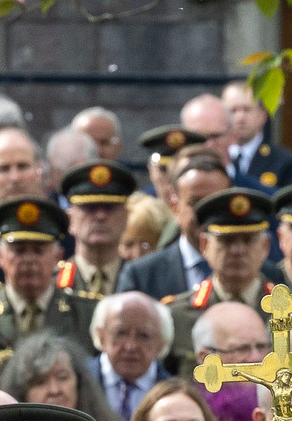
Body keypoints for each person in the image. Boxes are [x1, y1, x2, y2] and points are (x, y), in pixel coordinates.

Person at [0, 197, 103, 374]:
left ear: (58, 257)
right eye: (19, 251)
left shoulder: (88, 315)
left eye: (39, 250)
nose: (29, 260)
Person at [160, 188, 278, 378]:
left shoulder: (290, 313)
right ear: (205, 245)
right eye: (227, 241)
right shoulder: (176, 316)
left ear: (266, 247)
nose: (238, 250)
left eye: (248, 240)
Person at [118, 150, 228, 302]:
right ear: (175, 206)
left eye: (216, 202)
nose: (206, 212)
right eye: (195, 203)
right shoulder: (142, 276)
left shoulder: (263, 275)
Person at [0, 332, 124, 421]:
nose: (54, 390)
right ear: (21, 392)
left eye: (62, 377)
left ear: (79, 382)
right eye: (40, 382)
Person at [88, 292, 172, 421]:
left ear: (162, 343)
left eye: (143, 336)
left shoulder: (174, 393)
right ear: (101, 336)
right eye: (121, 333)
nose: (131, 346)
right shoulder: (76, 381)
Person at [62, 160, 137, 295]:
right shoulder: (53, 283)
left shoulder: (142, 280)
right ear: (71, 220)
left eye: (110, 208)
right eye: (89, 208)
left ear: (126, 217)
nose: (100, 216)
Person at [220, 80, 292, 189]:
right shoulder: (213, 157)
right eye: (233, 110)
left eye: (247, 109)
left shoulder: (286, 161)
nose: (240, 117)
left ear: (263, 115)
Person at [0, 127, 46, 203]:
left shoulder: (57, 214)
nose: (15, 178)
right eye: (4, 169)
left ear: (39, 171)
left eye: (22, 167)